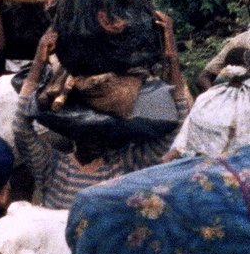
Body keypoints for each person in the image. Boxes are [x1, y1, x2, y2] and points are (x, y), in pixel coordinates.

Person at [14, 16, 192, 210]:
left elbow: (176, 128)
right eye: (88, 131)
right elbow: (21, 127)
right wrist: (39, 62)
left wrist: (172, 57)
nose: (96, 138)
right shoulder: (52, 166)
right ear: (74, 132)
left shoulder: (124, 165)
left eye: (102, 131)